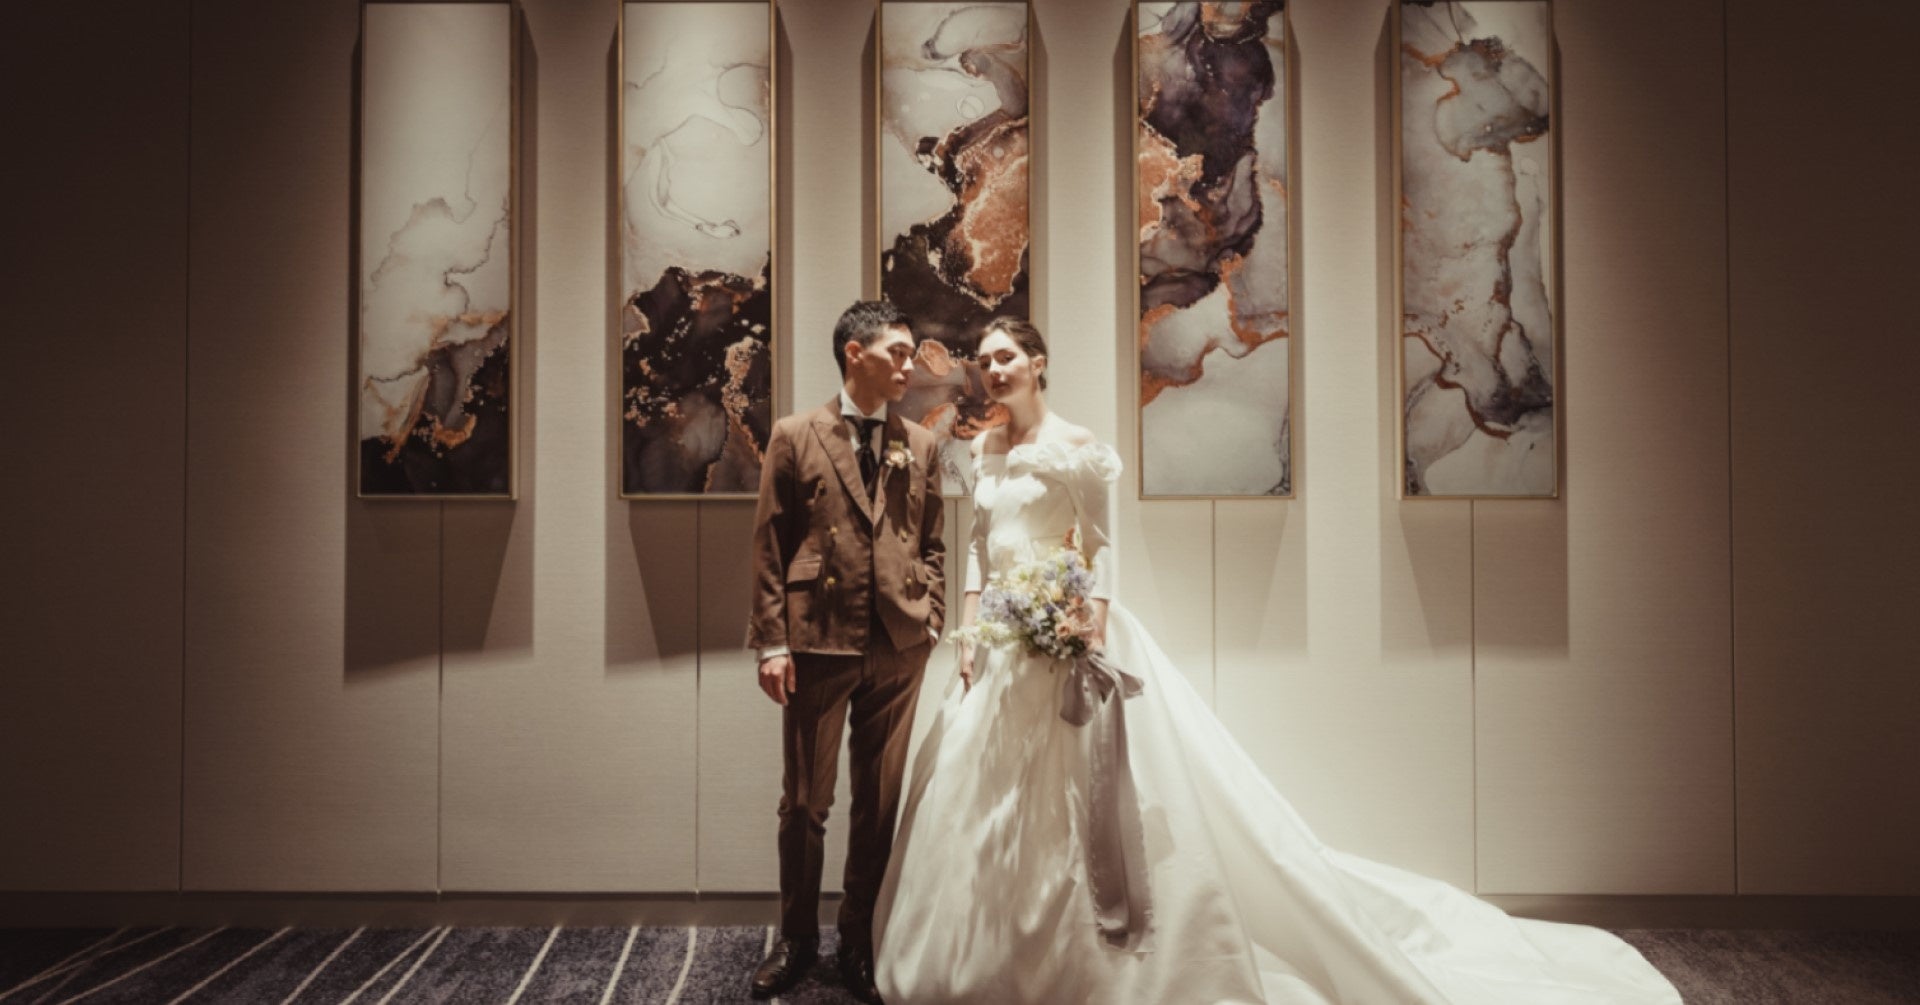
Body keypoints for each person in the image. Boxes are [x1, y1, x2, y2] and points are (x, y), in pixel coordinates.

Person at [872, 317, 1682, 1004]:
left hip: (1067, 637)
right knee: (983, 805)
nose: (994, 370)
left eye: (1007, 356)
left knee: (1084, 803)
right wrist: (969, 635)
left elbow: (1102, 546)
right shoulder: (984, 450)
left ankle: (1081, 964)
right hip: (999, 645)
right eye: (985, 360)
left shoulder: (1078, 446)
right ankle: (984, 958)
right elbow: (977, 548)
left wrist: (1089, 624)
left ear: (1038, 361)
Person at [744, 300, 947, 1003]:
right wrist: (772, 642)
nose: (909, 366)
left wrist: (933, 616)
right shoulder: (795, 434)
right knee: (805, 802)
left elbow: (933, 538)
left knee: (878, 801)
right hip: (817, 638)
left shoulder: (921, 443)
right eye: (898, 352)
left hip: (899, 642)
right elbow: (769, 544)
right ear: (854, 353)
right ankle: (797, 938)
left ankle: (859, 939)